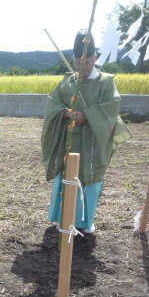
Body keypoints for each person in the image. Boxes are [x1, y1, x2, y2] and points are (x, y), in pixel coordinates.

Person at [41, 29, 131, 234]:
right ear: (73, 59)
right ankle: (61, 218)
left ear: (95, 58)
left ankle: (84, 222)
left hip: (93, 141)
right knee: (65, 177)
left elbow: (112, 106)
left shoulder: (106, 83)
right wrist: (65, 113)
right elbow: (53, 103)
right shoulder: (67, 81)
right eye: (78, 61)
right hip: (69, 140)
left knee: (89, 179)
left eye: (87, 61)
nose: (82, 65)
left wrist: (87, 115)